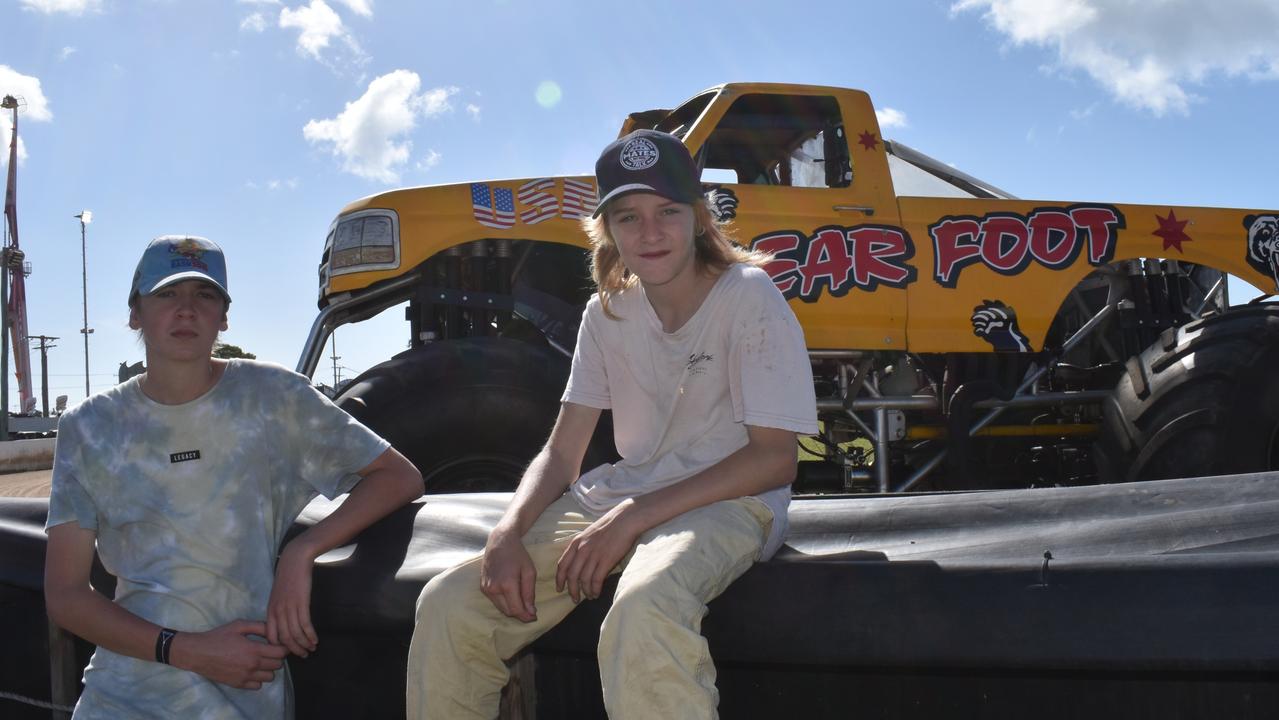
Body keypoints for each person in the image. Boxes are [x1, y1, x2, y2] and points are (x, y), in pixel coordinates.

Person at [406, 129, 818, 719]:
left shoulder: (747, 294)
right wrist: (507, 534)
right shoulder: (606, 312)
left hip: (732, 498)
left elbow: (775, 459)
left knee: (643, 608)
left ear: (699, 218)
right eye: (628, 216)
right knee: (450, 604)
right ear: (608, 230)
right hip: (624, 495)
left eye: (667, 212)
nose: (649, 232)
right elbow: (561, 451)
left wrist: (635, 517)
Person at [43, 235, 424, 719]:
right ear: (135, 313)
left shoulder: (272, 397)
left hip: (244, 689)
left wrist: (300, 554)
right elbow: (67, 594)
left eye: (204, 296)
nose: (186, 310)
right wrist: (184, 650)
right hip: (123, 695)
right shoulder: (88, 426)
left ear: (224, 317)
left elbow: (396, 476)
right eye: (166, 294)